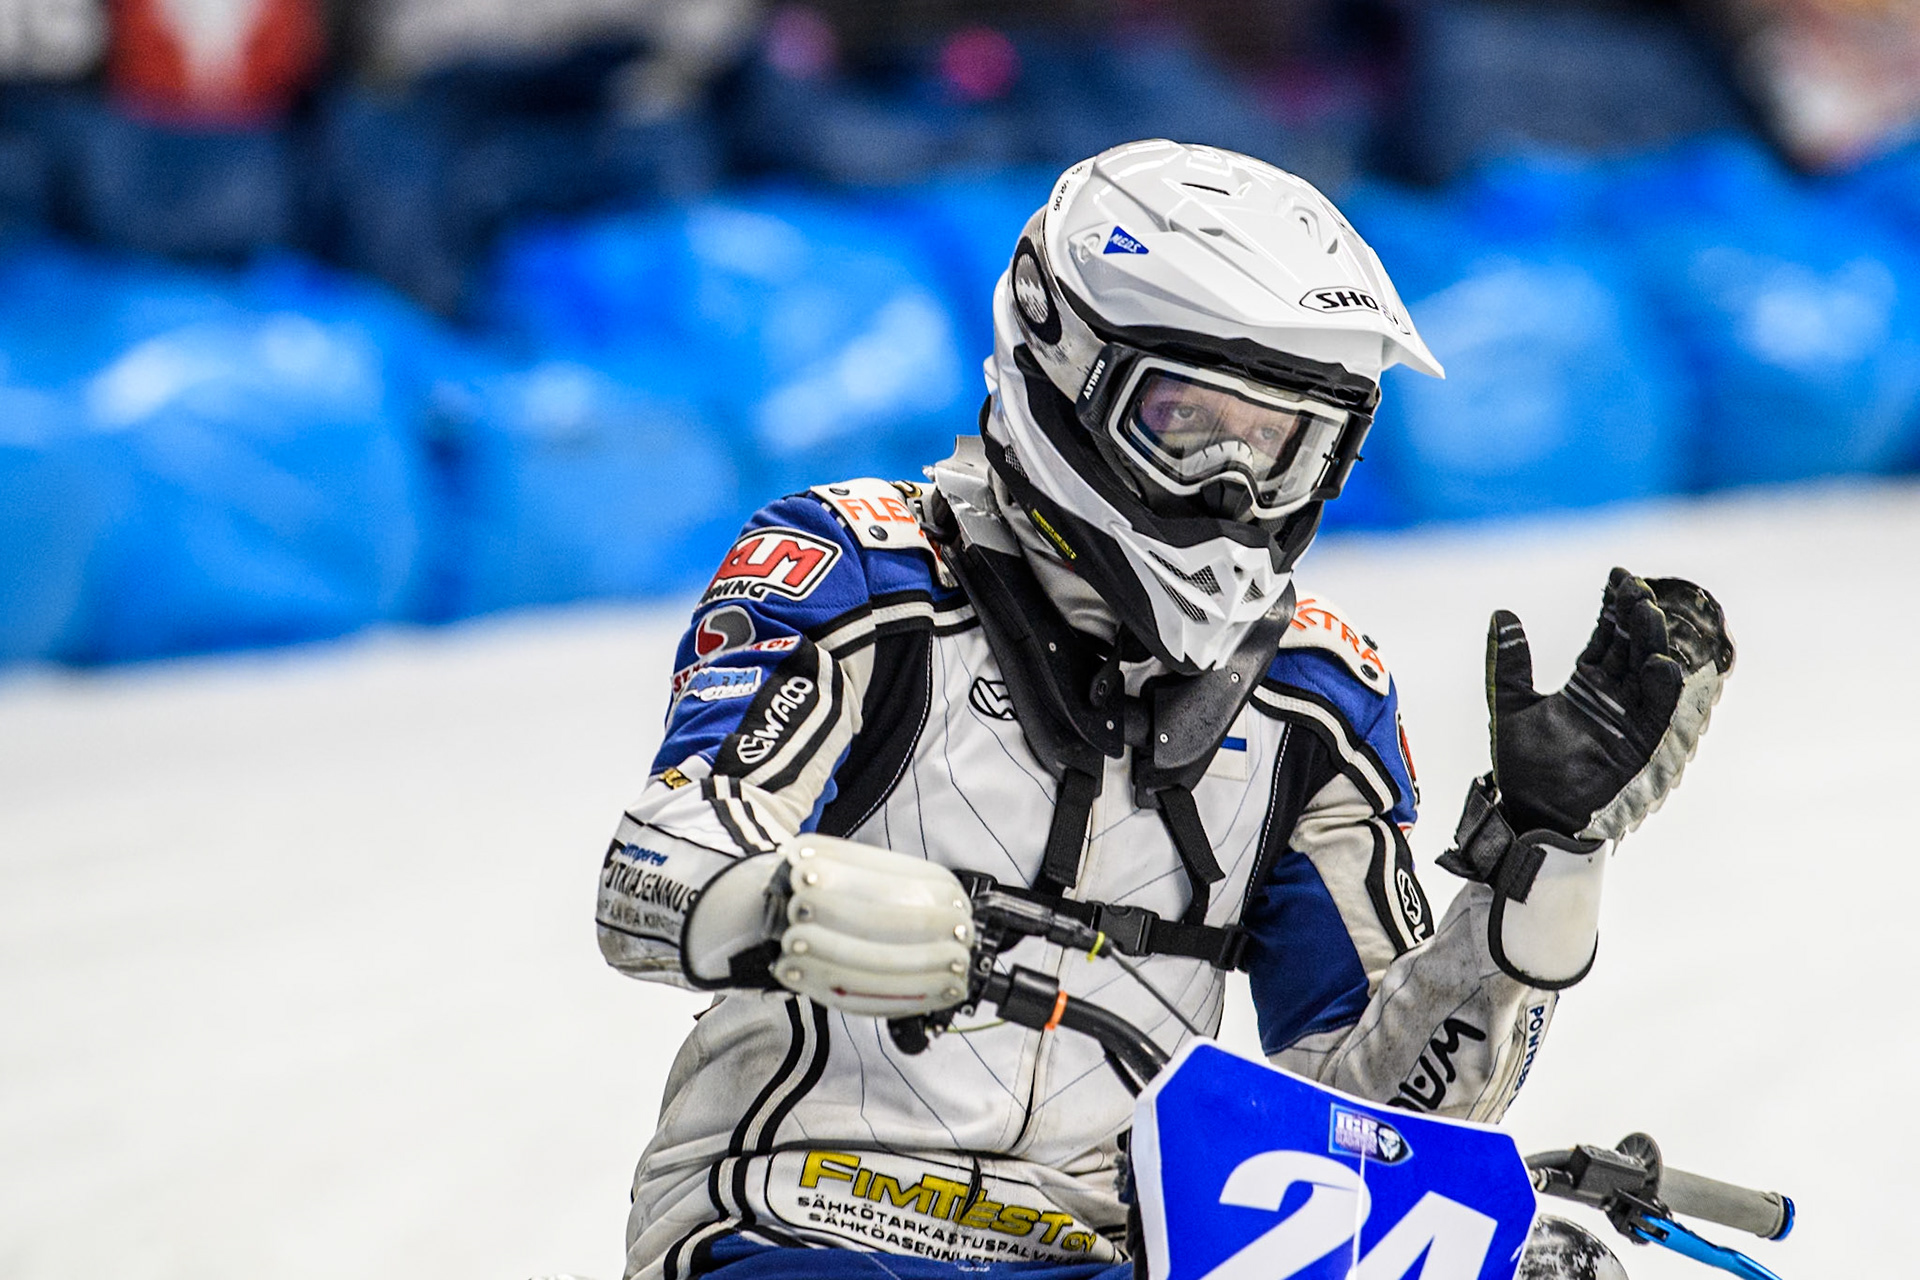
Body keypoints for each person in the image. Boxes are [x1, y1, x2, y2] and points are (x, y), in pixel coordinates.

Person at [593, 139, 1735, 1280]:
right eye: (1187, 423)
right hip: (799, 1214)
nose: (1234, 491)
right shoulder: (863, 573)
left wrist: (1542, 866)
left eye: (1279, 444)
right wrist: (807, 906)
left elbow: (1381, 1128)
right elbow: (652, 873)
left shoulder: (1312, 697)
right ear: (1063, 363)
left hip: (1115, 1250)